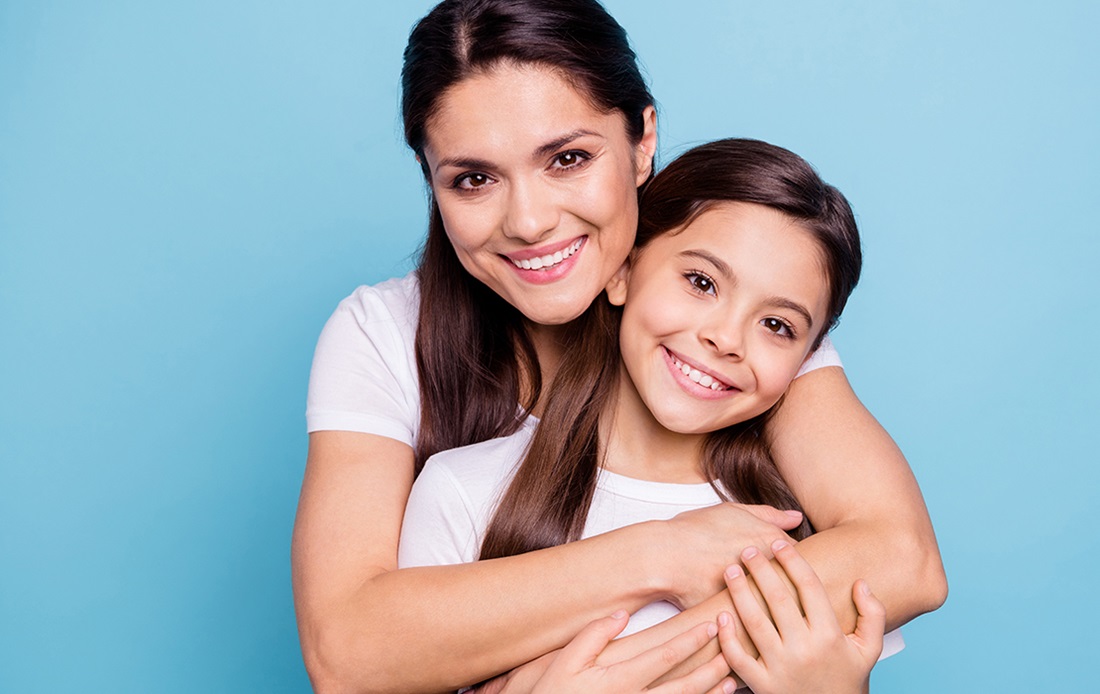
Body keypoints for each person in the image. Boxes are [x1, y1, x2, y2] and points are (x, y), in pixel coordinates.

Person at [292, 2, 947, 692]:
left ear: (642, 140)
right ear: (432, 182)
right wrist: (660, 554)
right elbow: (350, 652)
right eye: (474, 179)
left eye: (568, 158)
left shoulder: (729, 325)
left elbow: (902, 557)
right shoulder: (391, 342)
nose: (530, 220)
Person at [399, 138, 893, 692]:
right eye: (701, 282)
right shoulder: (463, 492)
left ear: (809, 357)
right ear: (622, 272)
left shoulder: (811, 534)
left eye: (777, 325)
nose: (726, 338)